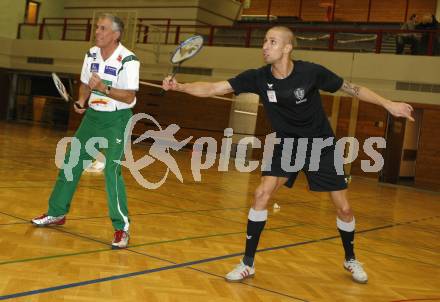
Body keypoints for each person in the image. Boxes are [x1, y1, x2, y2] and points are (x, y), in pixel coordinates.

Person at [162, 26, 414, 284]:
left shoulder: (311, 72)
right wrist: (181, 87)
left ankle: (350, 258)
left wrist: (388, 104)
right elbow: (215, 88)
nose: (265, 46)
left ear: (287, 48)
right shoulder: (258, 77)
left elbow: (353, 89)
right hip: (287, 146)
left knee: (345, 209)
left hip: (321, 146)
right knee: (261, 194)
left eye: (272, 42)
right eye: (264, 41)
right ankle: (247, 263)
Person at [31, 14, 140, 249]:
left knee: (112, 172)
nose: (97, 32)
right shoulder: (90, 54)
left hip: (117, 120)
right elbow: (84, 83)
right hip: (92, 118)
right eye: (96, 28)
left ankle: (121, 229)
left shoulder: (129, 60)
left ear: (116, 34)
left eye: (102, 29)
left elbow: (129, 95)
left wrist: (104, 88)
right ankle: (56, 213)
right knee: (71, 163)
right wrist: (81, 101)